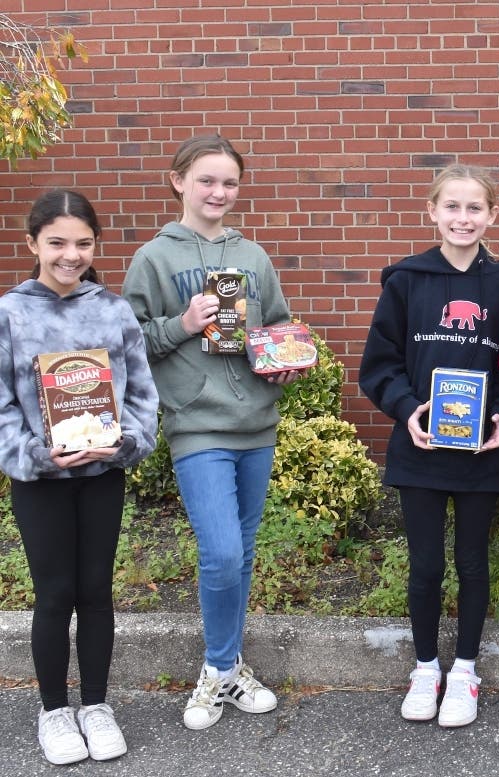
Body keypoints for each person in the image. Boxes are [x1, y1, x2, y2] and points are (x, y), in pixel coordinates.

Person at [122, 135, 299, 731]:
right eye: (206, 181)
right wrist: (183, 322)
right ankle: (218, 667)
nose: (218, 192)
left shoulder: (253, 257)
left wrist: (285, 355)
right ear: (179, 182)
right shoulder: (154, 258)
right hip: (196, 423)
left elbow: (276, 327)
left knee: (242, 554)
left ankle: (228, 667)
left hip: (256, 422)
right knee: (220, 551)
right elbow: (132, 343)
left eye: (229, 183)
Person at [359, 164, 499, 728]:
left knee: (473, 564)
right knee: (426, 565)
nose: (462, 218)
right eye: (451, 207)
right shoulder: (406, 281)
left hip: (481, 451)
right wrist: (407, 410)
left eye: (474, 208)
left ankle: (466, 672)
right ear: (432, 211)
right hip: (421, 448)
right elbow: (379, 365)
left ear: (491, 216)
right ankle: (426, 668)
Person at [0, 190, 159, 764]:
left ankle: (96, 704)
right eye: (57, 243)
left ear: (96, 245)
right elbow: (1, 406)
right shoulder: (10, 313)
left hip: (101, 473)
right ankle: (53, 712)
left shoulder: (113, 312)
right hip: (41, 481)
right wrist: (36, 454)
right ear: (33, 244)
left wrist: (128, 442)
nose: (71, 255)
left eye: (83, 243)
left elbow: (142, 392)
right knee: (55, 593)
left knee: (95, 591)